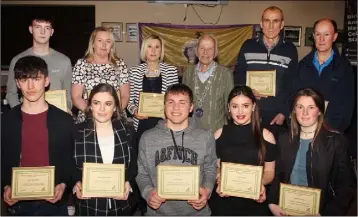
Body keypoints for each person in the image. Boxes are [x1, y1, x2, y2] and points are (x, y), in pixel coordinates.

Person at [1, 56, 73, 215]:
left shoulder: (65, 121)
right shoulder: (5, 121)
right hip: (18, 204)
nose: (31, 86)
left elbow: (71, 161)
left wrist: (63, 185)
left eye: (36, 79)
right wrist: (5, 186)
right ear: (18, 83)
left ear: (46, 81)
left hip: (53, 203)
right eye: (24, 79)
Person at [267, 88, 356, 216]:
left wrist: (325, 214)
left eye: (311, 107)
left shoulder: (336, 142)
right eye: (300, 107)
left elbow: (347, 186)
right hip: (285, 209)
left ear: (319, 111)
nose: (305, 113)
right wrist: (272, 203)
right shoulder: (284, 139)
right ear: (293, 110)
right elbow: (276, 177)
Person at [136, 83, 217, 215]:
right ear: (164, 106)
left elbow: (210, 168)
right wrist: (148, 193)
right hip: (158, 213)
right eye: (170, 102)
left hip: (197, 213)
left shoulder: (205, 137)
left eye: (182, 102)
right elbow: (141, 173)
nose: (176, 108)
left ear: (191, 107)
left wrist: (207, 191)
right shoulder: (147, 137)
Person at [208, 85, 276, 215]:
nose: (240, 111)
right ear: (228, 107)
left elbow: (269, 171)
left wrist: (258, 184)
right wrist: (219, 177)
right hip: (224, 203)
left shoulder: (266, 136)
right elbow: (214, 167)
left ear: (253, 106)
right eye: (235, 106)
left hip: (254, 203)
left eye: (245, 106)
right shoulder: (218, 134)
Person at [72, 83, 138, 216]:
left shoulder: (128, 132)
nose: (102, 109)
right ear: (90, 105)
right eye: (97, 103)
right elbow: (69, 166)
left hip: (121, 207)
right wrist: (75, 183)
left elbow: (134, 167)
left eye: (108, 103)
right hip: (88, 207)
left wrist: (129, 183)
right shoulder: (76, 132)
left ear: (115, 107)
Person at [233, 6, 298, 139]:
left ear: (282, 24)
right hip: (249, 113)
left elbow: (293, 84)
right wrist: (247, 91)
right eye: (267, 21)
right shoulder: (248, 46)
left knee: (272, 156)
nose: (271, 26)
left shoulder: (290, 49)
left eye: (275, 21)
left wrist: (284, 113)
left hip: (276, 117)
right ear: (261, 24)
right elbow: (238, 75)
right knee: (249, 155)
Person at [295, 19, 355, 133]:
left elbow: (348, 104)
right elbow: (294, 98)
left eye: (326, 34)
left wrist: (336, 130)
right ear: (313, 36)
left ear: (334, 36)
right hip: (303, 130)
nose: (321, 39)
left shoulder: (344, 67)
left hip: (331, 131)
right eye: (318, 34)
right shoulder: (302, 65)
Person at [6, 15, 72, 111]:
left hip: (56, 117)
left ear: (52, 32)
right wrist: (20, 115)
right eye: (38, 27)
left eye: (47, 28)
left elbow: (68, 95)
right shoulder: (18, 60)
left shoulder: (64, 61)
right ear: (31, 29)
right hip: (27, 117)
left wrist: (64, 112)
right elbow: (11, 94)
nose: (42, 32)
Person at [71, 26, 130, 124]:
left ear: (111, 45)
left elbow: (125, 95)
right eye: (100, 40)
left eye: (108, 41)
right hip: (89, 118)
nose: (104, 45)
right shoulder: (81, 64)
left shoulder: (120, 64)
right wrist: (93, 113)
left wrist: (114, 113)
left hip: (115, 119)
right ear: (93, 44)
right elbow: (76, 97)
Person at [127, 35, 178, 136]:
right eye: (149, 46)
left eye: (157, 47)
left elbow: (175, 99)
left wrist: (168, 112)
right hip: (142, 124)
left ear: (161, 51)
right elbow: (129, 101)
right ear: (144, 50)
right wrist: (135, 111)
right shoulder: (134, 72)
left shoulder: (171, 71)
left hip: (164, 123)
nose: (153, 51)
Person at [182, 34, 234, 133]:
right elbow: (184, 104)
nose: (205, 52)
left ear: (216, 52)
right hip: (192, 133)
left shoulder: (225, 73)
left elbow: (230, 106)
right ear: (196, 51)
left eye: (210, 49)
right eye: (202, 48)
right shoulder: (188, 73)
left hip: (218, 133)